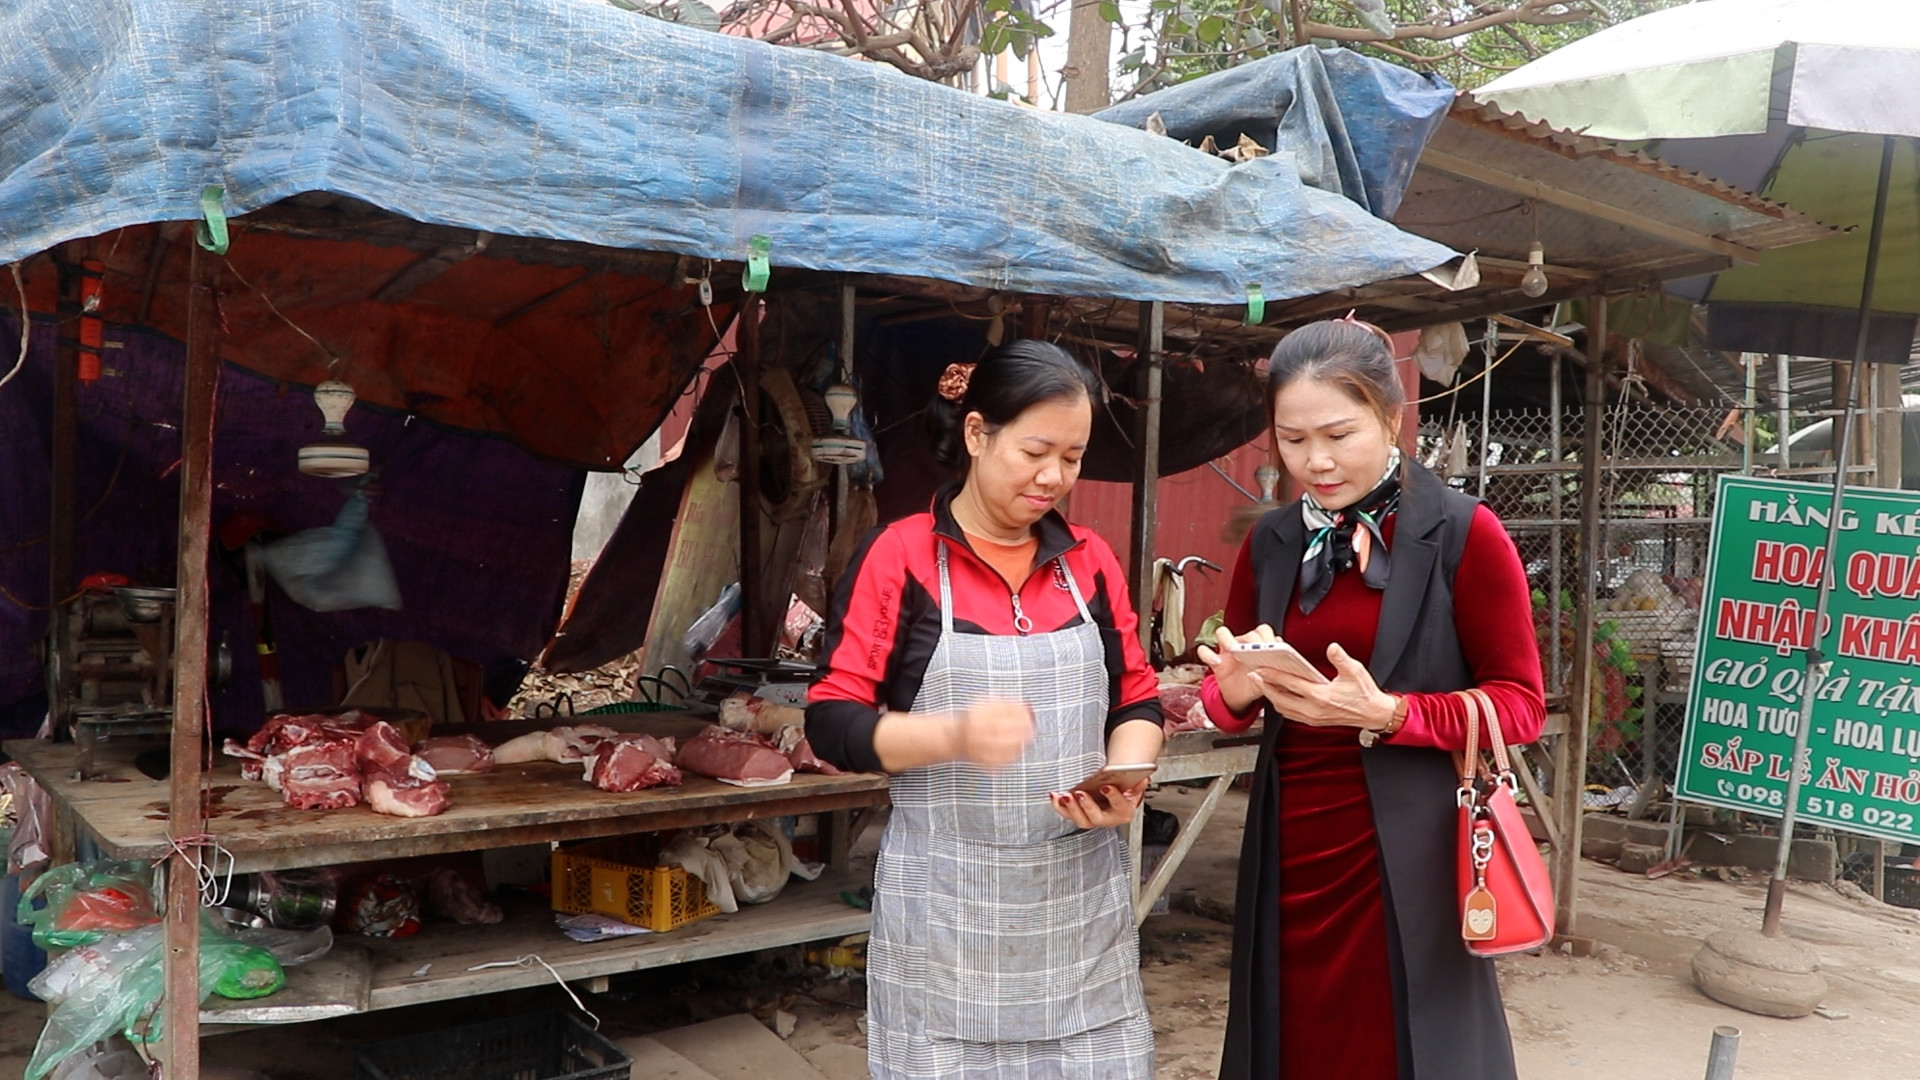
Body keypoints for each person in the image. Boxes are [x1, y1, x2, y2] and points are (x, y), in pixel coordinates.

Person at [1197, 319, 1545, 1080]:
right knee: (1286, 1040)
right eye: (1291, 440)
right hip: (1290, 841)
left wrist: (1389, 713)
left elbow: (1520, 705)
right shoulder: (1272, 542)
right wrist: (1228, 693)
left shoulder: (1463, 534)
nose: (1314, 462)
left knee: (1404, 1040)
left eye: (1338, 434)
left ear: (1391, 416)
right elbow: (1240, 703)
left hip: (1411, 849)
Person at [808, 340, 1165, 1080]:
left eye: (1072, 458)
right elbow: (832, 720)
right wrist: (952, 733)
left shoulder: (1090, 560)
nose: (1053, 478)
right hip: (946, 916)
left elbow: (1137, 696)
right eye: (1035, 451)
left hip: (1079, 914)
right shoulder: (900, 556)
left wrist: (1128, 775)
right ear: (977, 434)